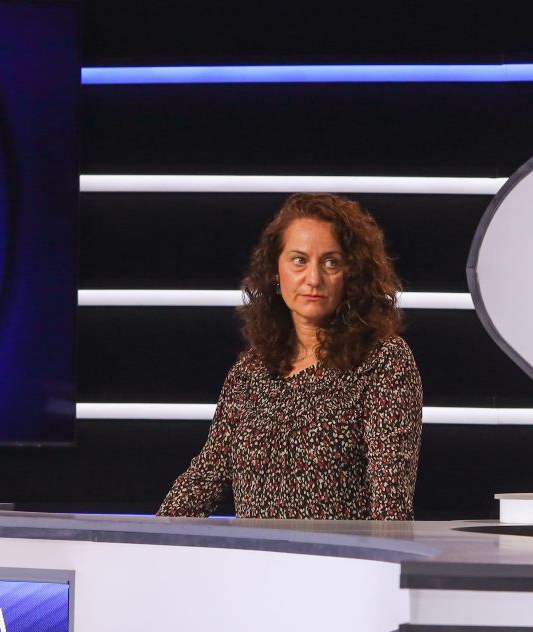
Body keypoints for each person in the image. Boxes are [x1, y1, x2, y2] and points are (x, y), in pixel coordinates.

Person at [156, 192, 422, 519]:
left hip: (343, 553)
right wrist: (150, 540)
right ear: (275, 271)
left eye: (331, 262)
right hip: (256, 553)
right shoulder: (250, 371)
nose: (313, 279)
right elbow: (205, 477)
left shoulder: (383, 361)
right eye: (299, 260)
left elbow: (391, 505)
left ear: (351, 274)